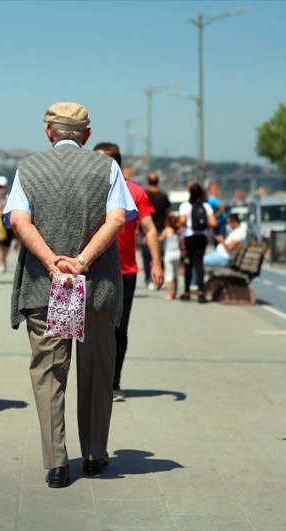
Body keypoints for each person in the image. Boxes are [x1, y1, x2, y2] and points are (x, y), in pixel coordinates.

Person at [5, 102, 136, 488]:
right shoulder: (107, 167)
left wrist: (50, 262)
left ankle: (57, 463)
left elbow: (18, 220)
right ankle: (94, 454)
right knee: (96, 370)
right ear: (87, 135)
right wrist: (79, 261)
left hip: (46, 285)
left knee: (49, 372)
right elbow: (117, 219)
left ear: (48, 131)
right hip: (95, 285)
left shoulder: (28, 169)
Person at [93, 142, 162, 403]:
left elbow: (150, 229)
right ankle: (94, 380)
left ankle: (113, 383)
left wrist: (156, 263)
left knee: (118, 330)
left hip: (125, 272)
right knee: (91, 329)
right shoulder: (88, 189)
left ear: (113, 164)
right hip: (90, 271)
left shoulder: (134, 192)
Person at [178, 183, 216, 303]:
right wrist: (203, 224)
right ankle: (201, 293)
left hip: (188, 237)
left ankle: (186, 292)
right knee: (199, 265)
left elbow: (182, 221)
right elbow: (213, 223)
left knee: (188, 264)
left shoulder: (185, 206)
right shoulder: (206, 206)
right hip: (201, 237)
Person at [144, 172, 170, 289]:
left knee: (147, 257)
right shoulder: (163, 196)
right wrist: (166, 226)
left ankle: (148, 279)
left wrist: (139, 230)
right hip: (159, 230)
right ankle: (157, 278)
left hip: (146, 229)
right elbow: (167, 214)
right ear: (158, 182)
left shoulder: (145, 195)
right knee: (158, 255)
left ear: (148, 182)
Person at [0, 175, 13, 272]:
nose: (1, 188)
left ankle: (3, 259)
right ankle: (0, 261)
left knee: (7, 244)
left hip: (8, 219)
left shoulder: (10, 195)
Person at [161, 215, 182, 300]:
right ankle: (176, 292)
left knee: (168, 274)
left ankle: (169, 293)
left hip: (169, 253)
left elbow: (161, 238)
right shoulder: (178, 231)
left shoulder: (167, 230)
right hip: (177, 252)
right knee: (175, 273)